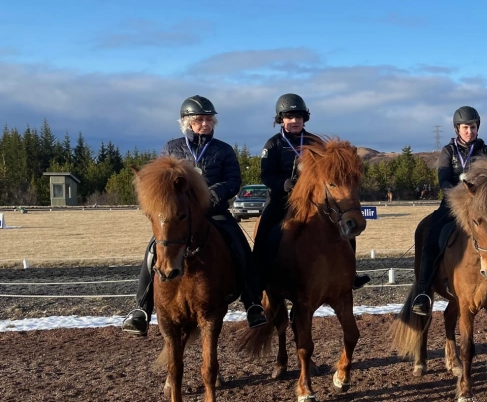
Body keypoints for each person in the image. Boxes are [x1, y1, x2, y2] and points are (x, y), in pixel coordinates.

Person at [121, 95, 268, 336]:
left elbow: (233, 180)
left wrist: (212, 194)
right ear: (187, 121)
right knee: (152, 250)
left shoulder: (223, 149)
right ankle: (141, 310)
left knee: (240, 246)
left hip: (213, 212)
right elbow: (162, 180)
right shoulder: (172, 148)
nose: (205, 124)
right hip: (181, 216)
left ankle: (252, 304)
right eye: (199, 119)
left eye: (209, 119)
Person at [410, 105, 487, 316]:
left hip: (483, 207)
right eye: (466, 127)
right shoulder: (448, 151)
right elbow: (443, 181)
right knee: (431, 237)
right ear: (457, 129)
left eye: (473, 127)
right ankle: (422, 293)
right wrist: (461, 194)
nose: (470, 131)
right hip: (453, 205)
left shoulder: (486, 151)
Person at [253, 93, 370, 289]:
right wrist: (284, 184)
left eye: (298, 117)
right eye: (289, 117)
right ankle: (257, 275)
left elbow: (328, 172)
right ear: (281, 119)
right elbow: (266, 175)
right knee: (265, 230)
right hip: (283, 199)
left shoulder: (316, 143)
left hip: (314, 200)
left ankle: (351, 273)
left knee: (345, 229)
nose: (294, 121)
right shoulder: (273, 144)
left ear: (304, 118)